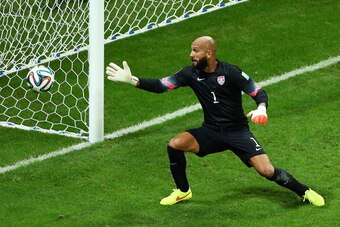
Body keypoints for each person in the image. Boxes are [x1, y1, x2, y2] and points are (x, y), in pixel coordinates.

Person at [106, 36, 325, 206]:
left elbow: (258, 92)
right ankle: (183, 191)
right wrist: (132, 81)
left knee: (266, 171)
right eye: (191, 50)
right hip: (211, 131)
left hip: (237, 132)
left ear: (209, 53)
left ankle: (304, 191)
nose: (191, 54)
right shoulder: (189, 74)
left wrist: (261, 108)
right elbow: (161, 86)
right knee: (175, 144)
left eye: (195, 50)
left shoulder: (231, 72)